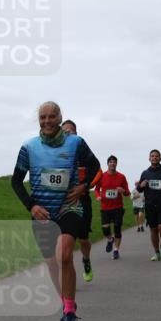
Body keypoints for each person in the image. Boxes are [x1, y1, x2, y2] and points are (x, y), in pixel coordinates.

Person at [11, 102, 100, 321]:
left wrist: (83, 187)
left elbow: (94, 165)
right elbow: (16, 181)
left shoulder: (75, 143)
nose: (47, 121)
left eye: (52, 116)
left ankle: (69, 312)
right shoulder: (28, 147)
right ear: (39, 120)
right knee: (52, 262)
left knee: (64, 254)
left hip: (69, 207)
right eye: (43, 117)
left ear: (60, 118)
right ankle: (66, 302)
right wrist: (32, 206)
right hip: (42, 212)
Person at [62, 119, 101, 282]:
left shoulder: (83, 150)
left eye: (71, 131)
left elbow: (98, 170)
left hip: (83, 200)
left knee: (83, 239)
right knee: (65, 242)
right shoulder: (57, 152)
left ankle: (86, 260)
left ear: (76, 134)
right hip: (63, 203)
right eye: (64, 132)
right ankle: (68, 276)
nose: (68, 134)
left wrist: (85, 187)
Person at [135, 149, 161, 261]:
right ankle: (157, 252)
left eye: (156, 156)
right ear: (149, 158)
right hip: (150, 205)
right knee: (153, 230)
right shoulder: (145, 173)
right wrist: (142, 185)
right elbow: (139, 189)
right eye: (152, 156)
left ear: (160, 158)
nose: (154, 158)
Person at [95, 155, 130, 259]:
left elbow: (127, 193)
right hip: (105, 207)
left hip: (118, 207)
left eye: (114, 162)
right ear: (108, 164)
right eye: (110, 162)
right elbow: (97, 189)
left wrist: (123, 191)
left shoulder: (121, 177)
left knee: (117, 229)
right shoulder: (102, 176)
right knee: (105, 229)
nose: (112, 163)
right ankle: (110, 239)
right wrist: (97, 197)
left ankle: (116, 250)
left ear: (116, 164)